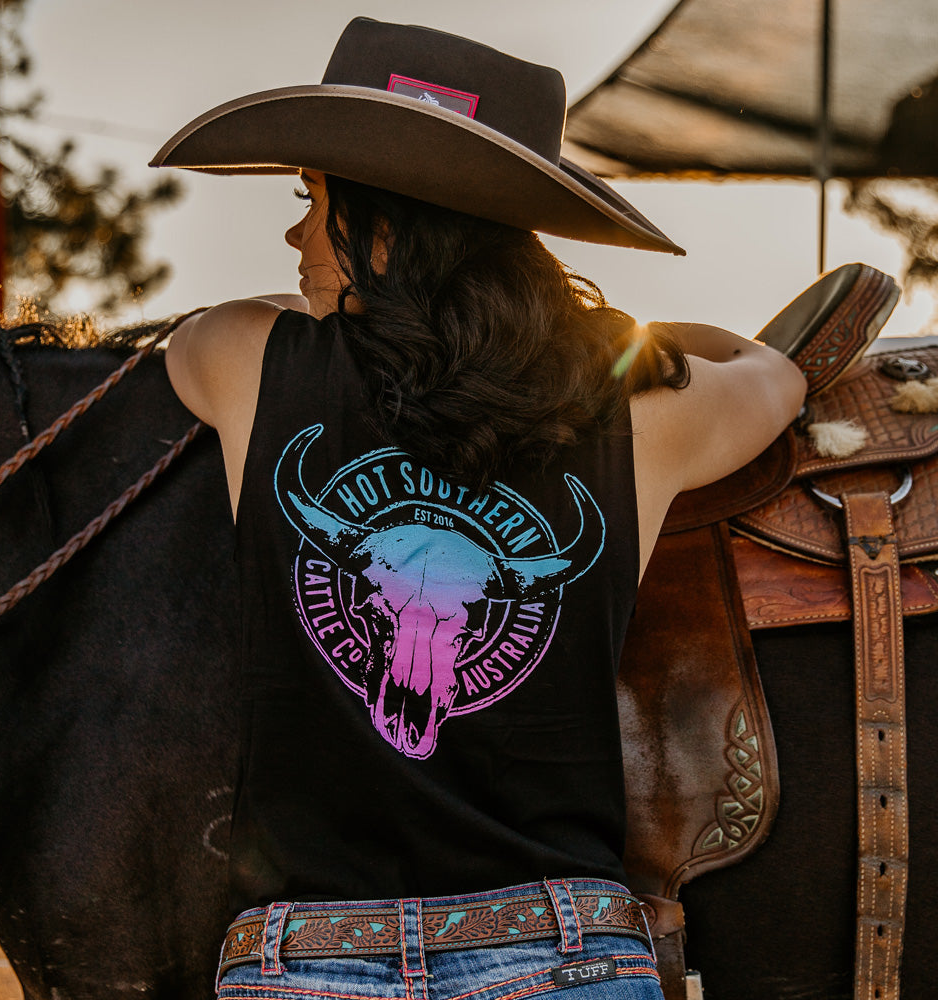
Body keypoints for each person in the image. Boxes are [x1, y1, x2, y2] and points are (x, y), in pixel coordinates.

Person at [154, 17, 806, 1000]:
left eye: (313, 198)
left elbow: (192, 339)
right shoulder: (646, 409)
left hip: (308, 960)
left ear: (385, 225)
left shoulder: (245, 361)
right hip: (566, 954)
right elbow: (773, 374)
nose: (294, 233)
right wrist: (617, 341)